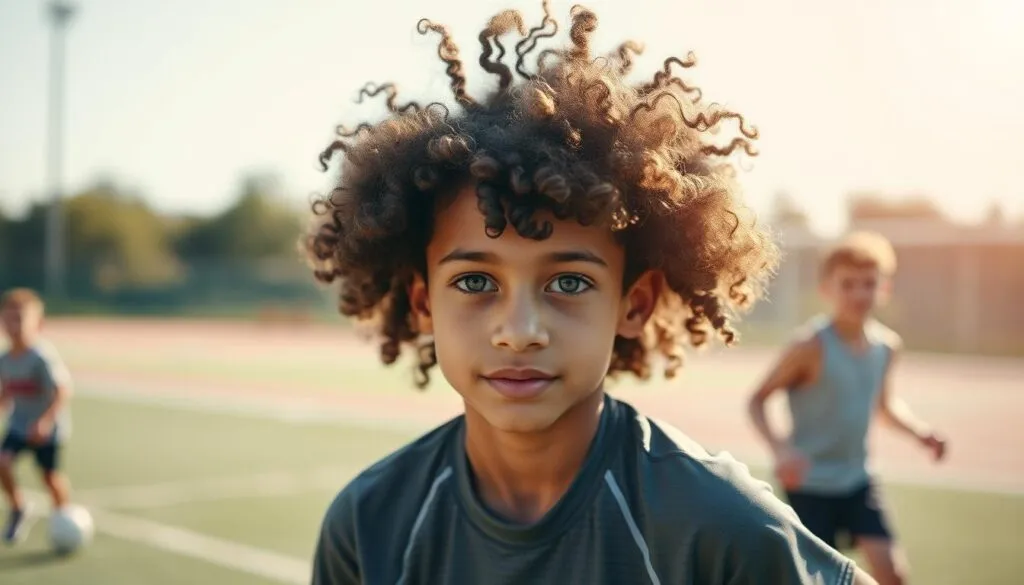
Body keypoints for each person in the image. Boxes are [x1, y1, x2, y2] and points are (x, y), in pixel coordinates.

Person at [306, 3, 875, 583]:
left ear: (635, 303)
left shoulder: (724, 528)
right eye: (475, 281)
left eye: (569, 282)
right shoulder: (367, 527)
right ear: (425, 302)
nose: (521, 330)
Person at [747, 231, 948, 585]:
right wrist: (781, 449)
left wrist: (920, 432)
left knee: (893, 574)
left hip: (858, 479)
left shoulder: (887, 347)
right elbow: (757, 400)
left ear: (883, 289)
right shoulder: (809, 345)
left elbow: (884, 407)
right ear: (827, 289)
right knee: (817, 580)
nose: (859, 293)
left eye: (869, 284)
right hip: (810, 484)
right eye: (848, 284)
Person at [0, 287, 75, 545]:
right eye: (9, 319)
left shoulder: (41, 357)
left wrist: (45, 421)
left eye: (20, 319)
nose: (14, 325)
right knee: (2, 462)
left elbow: (63, 390)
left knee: (49, 477)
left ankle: (65, 516)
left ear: (37, 323)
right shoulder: (4, 360)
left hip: (46, 429)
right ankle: (19, 508)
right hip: (20, 426)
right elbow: (6, 394)